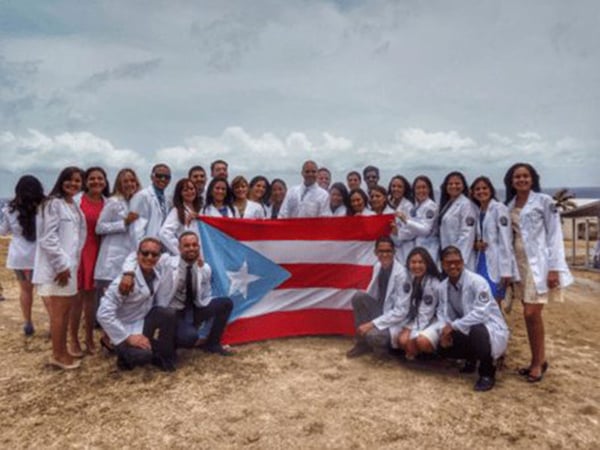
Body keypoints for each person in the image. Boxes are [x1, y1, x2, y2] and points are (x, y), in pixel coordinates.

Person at [504, 162, 573, 383]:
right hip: (520, 267)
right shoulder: (509, 204)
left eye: (525, 176)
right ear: (511, 182)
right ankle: (538, 360)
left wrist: (554, 268)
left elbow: (554, 236)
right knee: (529, 316)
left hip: (539, 267)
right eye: (517, 177)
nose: (521, 180)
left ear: (532, 179)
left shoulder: (545, 202)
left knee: (531, 314)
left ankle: (537, 362)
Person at [33, 167, 86, 370]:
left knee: (65, 312)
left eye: (78, 181)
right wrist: (61, 265)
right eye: (70, 180)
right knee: (59, 313)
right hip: (59, 269)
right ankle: (57, 354)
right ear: (61, 180)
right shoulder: (53, 204)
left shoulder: (72, 205)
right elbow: (48, 238)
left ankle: (63, 351)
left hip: (70, 267)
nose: (73, 184)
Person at [97, 237, 177, 371]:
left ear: (159, 256)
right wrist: (128, 338)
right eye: (145, 253)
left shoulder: (156, 274)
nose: (149, 257)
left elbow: (175, 259)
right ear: (137, 255)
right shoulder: (123, 283)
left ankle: (164, 355)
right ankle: (123, 357)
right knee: (143, 356)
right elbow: (103, 313)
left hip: (140, 322)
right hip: (122, 328)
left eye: (154, 254)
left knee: (168, 313)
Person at [437, 246, 509, 392]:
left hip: (488, 327)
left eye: (457, 262)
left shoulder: (478, 282)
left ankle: (487, 372)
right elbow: (442, 312)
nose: (453, 266)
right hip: (465, 325)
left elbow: (481, 314)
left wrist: (454, 326)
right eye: (448, 263)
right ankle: (471, 360)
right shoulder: (443, 286)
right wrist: (444, 330)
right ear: (442, 265)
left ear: (463, 262)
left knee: (477, 330)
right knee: (442, 348)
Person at [346, 236, 411, 358]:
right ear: (375, 253)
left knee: (373, 335)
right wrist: (370, 322)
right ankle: (362, 344)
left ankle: (382, 351)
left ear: (394, 252)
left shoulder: (402, 274)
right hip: (381, 312)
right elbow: (372, 294)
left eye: (388, 251)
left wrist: (371, 324)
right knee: (359, 297)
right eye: (381, 251)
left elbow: (401, 311)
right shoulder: (378, 266)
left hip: (395, 318)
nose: (385, 255)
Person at [70, 167, 110, 357]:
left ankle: (89, 338)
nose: (96, 182)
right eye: (92, 178)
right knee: (77, 300)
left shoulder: (108, 203)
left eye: (100, 178)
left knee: (92, 301)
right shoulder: (76, 201)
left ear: (105, 181)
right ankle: (74, 340)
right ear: (86, 182)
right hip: (79, 252)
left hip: (99, 253)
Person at [0, 175, 45, 335]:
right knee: (44, 291)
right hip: (39, 256)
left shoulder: (8, 209)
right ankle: (53, 322)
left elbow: (3, 231)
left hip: (19, 257)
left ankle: (27, 322)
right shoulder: (43, 208)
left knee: (25, 291)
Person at [470, 176, 518, 303]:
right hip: (481, 260)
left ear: (491, 190)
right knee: (482, 301)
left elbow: (506, 239)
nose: (481, 191)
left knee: (494, 303)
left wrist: (506, 270)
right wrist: (476, 244)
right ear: (473, 193)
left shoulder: (499, 208)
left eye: (484, 188)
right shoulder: (478, 210)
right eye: (477, 189)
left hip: (497, 262)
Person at [94, 168, 141, 294]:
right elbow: (99, 227)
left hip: (129, 258)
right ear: (119, 184)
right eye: (125, 181)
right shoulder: (113, 202)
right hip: (111, 262)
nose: (129, 184)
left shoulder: (136, 202)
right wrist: (124, 222)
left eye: (132, 180)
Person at [394, 247, 441, 360]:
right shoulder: (410, 279)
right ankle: (417, 350)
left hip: (435, 319)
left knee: (421, 342)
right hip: (418, 318)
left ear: (427, 264)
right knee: (401, 341)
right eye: (413, 262)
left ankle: (437, 354)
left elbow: (426, 313)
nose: (417, 266)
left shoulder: (433, 283)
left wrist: (413, 336)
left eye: (421, 262)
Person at [392, 175, 439, 264]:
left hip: (429, 248)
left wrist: (406, 221)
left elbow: (425, 230)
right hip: (418, 247)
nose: (421, 190)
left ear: (429, 189)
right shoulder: (418, 206)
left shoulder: (430, 206)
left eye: (424, 187)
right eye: (418, 188)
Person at [439, 171, 477, 270]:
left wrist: (457, 259)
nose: (453, 186)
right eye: (450, 184)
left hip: (460, 259)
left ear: (463, 186)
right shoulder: (447, 205)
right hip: (447, 255)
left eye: (457, 183)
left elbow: (466, 235)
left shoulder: (466, 205)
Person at [159, 178, 202, 256]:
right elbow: (164, 233)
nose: (190, 192)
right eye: (185, 190)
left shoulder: (201, 210)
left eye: (192, 189)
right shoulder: (176, 211)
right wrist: (181, 250)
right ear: (180, 194)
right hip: (188, 256)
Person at [130, 163, 171, 244]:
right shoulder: (142, 196)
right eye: (159, 176)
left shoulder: (166, 199)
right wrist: (141, 249)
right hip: (146, 248)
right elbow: (136, 229)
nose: (163, 179)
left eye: (167, 177)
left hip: (160, 245)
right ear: (152, 177)